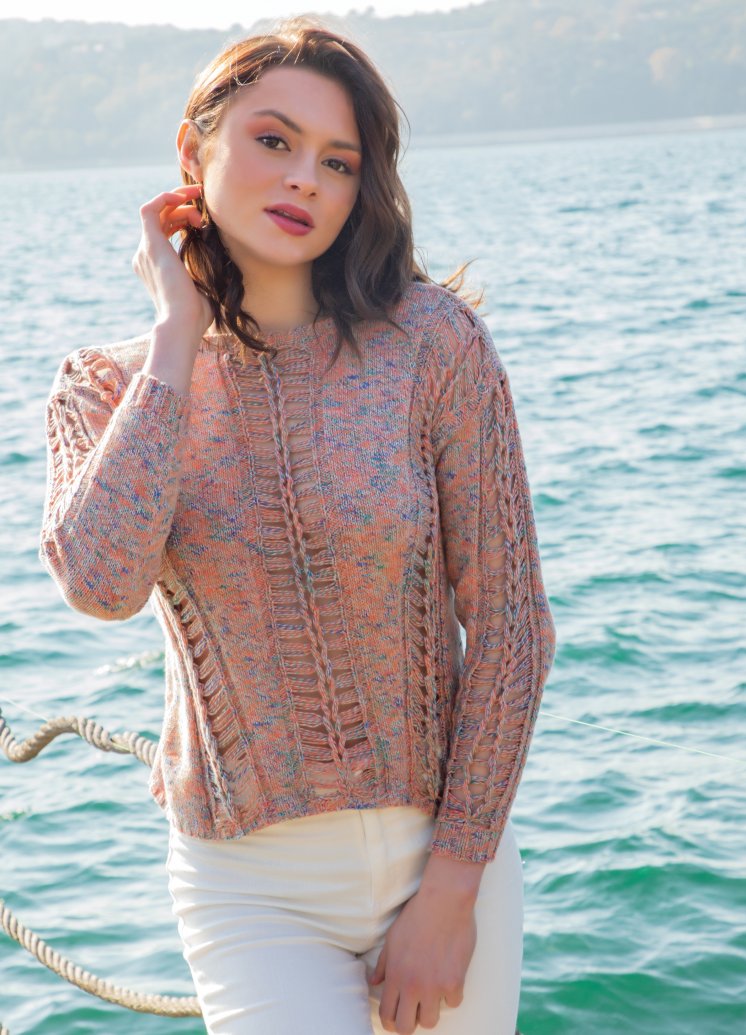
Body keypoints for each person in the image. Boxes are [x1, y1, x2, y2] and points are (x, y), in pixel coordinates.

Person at [38, 16, 557, 1035]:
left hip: (446, 861)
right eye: (273, 140)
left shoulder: (432, 347)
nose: (303, 179)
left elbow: (511, 630)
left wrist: (453, 888)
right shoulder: (108, 385)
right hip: (249, 889)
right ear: (193, 151)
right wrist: (175, 342)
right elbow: (100, 583)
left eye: (337, 161)